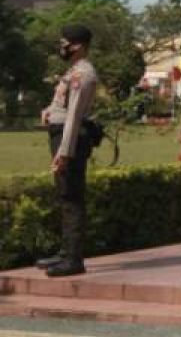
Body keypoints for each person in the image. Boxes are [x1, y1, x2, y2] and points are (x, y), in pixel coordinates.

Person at [38, 24, 101, 277]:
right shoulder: (73, 71)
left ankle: (74, 260)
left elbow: (74, 116)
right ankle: (65, 252)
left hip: (70, 139)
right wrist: (49, 110)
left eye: (65, 43)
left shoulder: (83, 74)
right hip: (61, 133)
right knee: (64, 195)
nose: (61, 48)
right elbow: (63, 105)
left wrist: (65, 153)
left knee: (72, 197)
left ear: (79, 46)